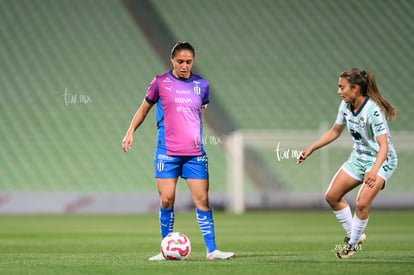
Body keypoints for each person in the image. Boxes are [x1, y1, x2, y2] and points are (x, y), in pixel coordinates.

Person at [122, 41, 235, 261]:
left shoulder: (202, 85)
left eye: (189, 62)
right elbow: (144, 109)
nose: (184, 65)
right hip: (167, 151)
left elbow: (199, 116)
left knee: (202, 199)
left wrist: (197, 139)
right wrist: (130, 132)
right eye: (180, 61)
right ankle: (166, 250)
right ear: (172, 60)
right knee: (167, 199)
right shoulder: (160, 82)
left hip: (194, 153)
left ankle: (212, 251)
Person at [297, 68, 398, 259]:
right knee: (332, 196)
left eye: (342, 87)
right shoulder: (345, 106)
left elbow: (383, 146)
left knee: (361, 203)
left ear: (355, 88)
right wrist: (311, 148)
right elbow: (335, 131)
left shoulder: (373, 111)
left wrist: (374, 171)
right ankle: (357, 235)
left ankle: (351, 245)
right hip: (358, 159)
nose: (339, 91)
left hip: (381, 160)